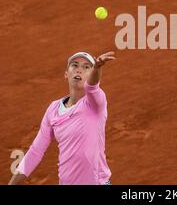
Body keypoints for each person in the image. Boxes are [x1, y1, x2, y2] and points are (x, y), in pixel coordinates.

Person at [8, 51, 116, 185]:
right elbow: (35, 152)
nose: (79, 70)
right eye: (75, 65)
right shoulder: (53, 110)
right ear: (66, 74)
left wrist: (98, 68)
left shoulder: (96, 104)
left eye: (86, 67)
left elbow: (92, 87)